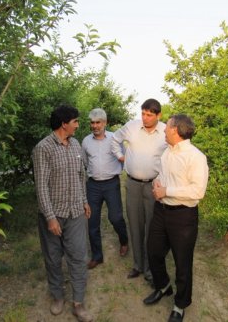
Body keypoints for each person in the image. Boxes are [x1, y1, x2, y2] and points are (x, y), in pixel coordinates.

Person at [143, 114, 209, 322]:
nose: (163, 130)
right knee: (153, 251)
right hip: (161, 211)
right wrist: (157, 183)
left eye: (167, 127)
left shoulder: (195, 156)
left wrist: (167, 191)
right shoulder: (167, 152)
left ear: (175, 130)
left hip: (183, 216)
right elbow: (162, 176)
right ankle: (163, 287)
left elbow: (198, 191)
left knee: (182, 263)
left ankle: (180, 305)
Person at [32, 105, 93, 322]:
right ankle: (58, 296)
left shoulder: (75, 144)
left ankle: (78, 303)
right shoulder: (43, 148)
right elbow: (41, 186)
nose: (78, 125)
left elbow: (80, 176)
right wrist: (50, 217)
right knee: (53, 258)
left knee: (78, 256)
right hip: (54, 214)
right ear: (63, 124)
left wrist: (84, 201)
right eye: (75, 121)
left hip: (76, 211)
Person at [111, 98, 167, 283]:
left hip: (153, 186)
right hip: (133, 184)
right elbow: (114, 139)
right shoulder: (132, 126)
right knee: (135, 225)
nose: (145, 118)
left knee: (152, 228)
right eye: (143, 113)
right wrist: (121, 156)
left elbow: (172, 156)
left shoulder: (166, 131)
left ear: (158, 115)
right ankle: (137, 265)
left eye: (149, 115)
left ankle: (150, 268)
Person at [82, 108, 129, 270]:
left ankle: (124, 241)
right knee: (92, 221)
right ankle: (97, 256)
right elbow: (85, 162)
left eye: (98, 122)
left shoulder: (115, 139)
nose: (95, 126)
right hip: (93, 185)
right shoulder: (86, 141)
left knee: (115, 217)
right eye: (92, 123)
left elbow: (124, 158)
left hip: (111, 184)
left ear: (105, 123)